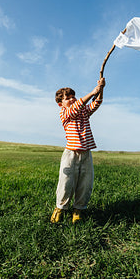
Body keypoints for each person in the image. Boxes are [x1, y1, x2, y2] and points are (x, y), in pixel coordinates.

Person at [50, 77, 105, 223]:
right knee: (66, 182)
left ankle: (78, 210)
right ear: (60, 104)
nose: (73, 99)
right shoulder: (65, 114)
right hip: (71, 154)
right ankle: (60, 208)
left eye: (73, 96)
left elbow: (96, 103)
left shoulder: (83, 112)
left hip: (86, 153)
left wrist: (101, 89)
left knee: (85, 183)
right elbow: (77, 106)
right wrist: (93, 91)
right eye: (68, 98)